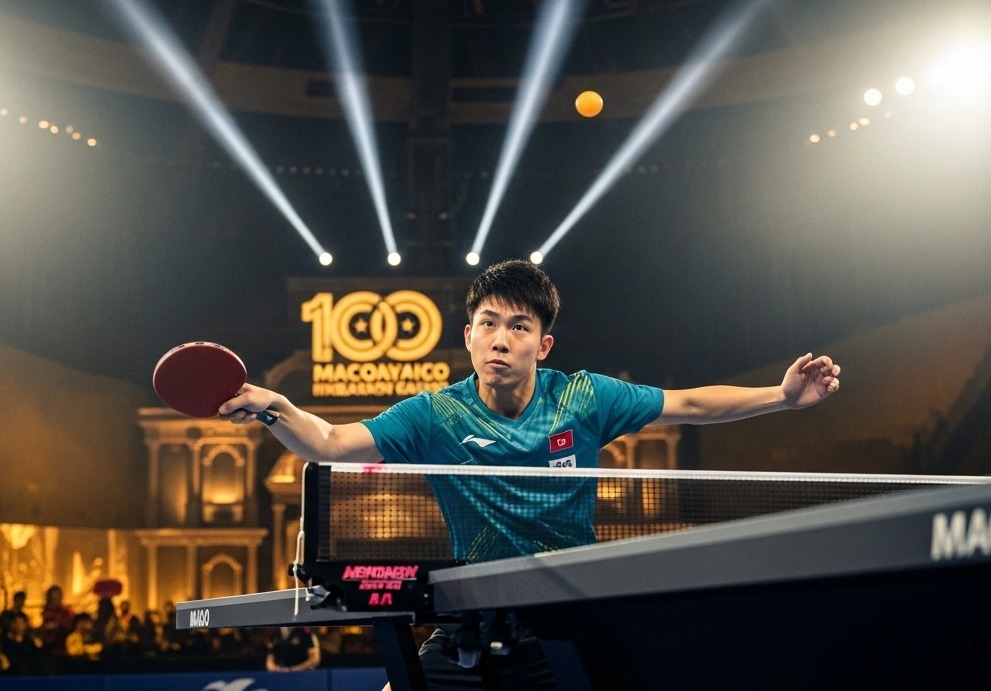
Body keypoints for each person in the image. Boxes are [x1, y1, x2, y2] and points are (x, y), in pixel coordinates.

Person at [219, 259, 842, 689]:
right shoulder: (433, 414)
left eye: (519, 326)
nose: (500, 339)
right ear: (467, 336)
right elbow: (329, 443)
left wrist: (780, 398)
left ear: (542, 344)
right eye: (488, 323)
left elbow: (691, 405)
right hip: (472, 616)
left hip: (574, 615)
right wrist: (275, 406)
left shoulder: (584, 399)